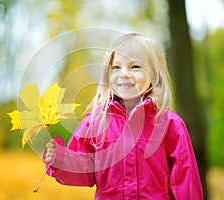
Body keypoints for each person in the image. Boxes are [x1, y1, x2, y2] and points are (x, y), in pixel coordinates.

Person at [43, 33, 203, 199]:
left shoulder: (169, 124)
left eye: (135, 67)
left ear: (154, 75)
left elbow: (185, 179)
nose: (124, 74)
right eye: (116, 67)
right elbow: (85, 169)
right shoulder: (95, 123)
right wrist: (61, 160)